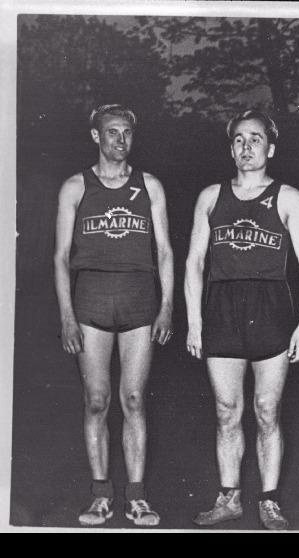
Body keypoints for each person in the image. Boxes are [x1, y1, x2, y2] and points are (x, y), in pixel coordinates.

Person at [185, 110, 299, 530]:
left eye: (255, 139)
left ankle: (270, 499)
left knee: (266, 410)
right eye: (239, 140)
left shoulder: (288, 196)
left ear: (271, 148)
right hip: (221, 307)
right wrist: (193, 322)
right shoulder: (210, 196)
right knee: (227, 410)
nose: (247, 147)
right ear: (231, 148)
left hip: (270, 307)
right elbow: (193, 262)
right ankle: (229, 498)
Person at [54, 104, 174, 527]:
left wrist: (166, 306)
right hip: (91, 305)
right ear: (96, 136)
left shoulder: (149, 186)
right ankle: (101, 495)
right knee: (97, 401)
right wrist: (67, 316)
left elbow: (164, 251)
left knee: (135, 399)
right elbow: (61, 256)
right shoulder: (75, 187)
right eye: (111, 132)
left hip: (139, 302)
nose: (119, 140)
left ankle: (137, 498)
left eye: (126, 133)